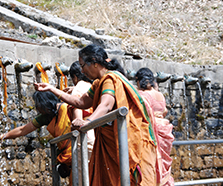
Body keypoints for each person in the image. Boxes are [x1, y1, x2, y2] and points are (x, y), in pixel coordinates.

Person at [35, 44, 157, 186]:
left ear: (94, 62)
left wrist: (89, 121)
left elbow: (106, 104)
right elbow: (81, 101)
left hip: (121, 140)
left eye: (83, 65)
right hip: (109, 140)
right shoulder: (98, 83)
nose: (82, 70)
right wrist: (52, 89)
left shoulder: (109, 79)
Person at [0, 91, 73, 178]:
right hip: (66, 155)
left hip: (77, 148)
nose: (36, 108)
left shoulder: (66, 108)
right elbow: (22, 130)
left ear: (45, 103)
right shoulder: (45, 117)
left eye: (37, 104)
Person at [135, 67, 174, 186]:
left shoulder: (143, 95)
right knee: (163, 163)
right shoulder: (160, 95)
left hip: (153, 129)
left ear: (138, 81)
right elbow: (165, 111)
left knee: (153, 162)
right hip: (166, 130)